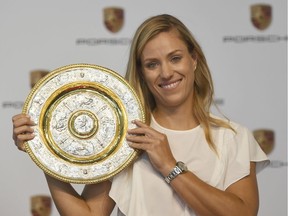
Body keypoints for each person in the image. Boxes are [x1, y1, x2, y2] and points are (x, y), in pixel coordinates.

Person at [12, 14, 269, 216]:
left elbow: (243, 213)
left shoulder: (233, 138)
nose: (166, 73)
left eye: (175, 58)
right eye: (152, 64)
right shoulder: (126, 138)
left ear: (194, 60)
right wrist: (44, 153)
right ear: (142, 73)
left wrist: (169, 165)